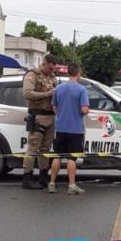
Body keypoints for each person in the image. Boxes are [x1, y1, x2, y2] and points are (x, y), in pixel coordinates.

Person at [49, 63, 89, 195]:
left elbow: (54, 108)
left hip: (60, 128)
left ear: (68, 73)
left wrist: (61, 114)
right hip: (75, 129)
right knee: (72, 158)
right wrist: (85, 110)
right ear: (78, 73)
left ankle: (52, 183)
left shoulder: (58, 88)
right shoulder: (82, 90)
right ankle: (71, 185)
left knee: (57, 155)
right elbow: (84, 109)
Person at [21, 53, 57, 190]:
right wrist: (46, 94)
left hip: (50, 116)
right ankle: (27, 179)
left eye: (53, 69)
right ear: (43, 64)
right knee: (33, 148)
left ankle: (43, 177)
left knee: (45, 149)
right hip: (38, 116)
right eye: (49, 68)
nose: (51, 71)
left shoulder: (53, 77)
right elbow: (27, 93)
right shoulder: (33, 75)